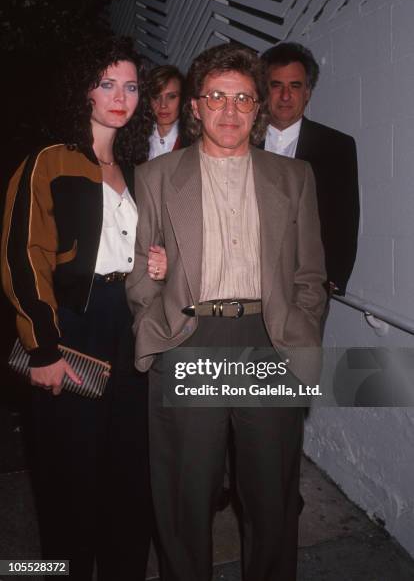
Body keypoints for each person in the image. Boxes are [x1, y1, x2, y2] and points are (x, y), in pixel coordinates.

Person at [126, 43, 326, 581]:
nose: (230, 111)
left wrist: (298, 336)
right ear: (195, 106)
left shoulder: (294, 178)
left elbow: (310, 276)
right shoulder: (156, 177)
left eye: (243, 98)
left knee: (272, 497)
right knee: (184, 499)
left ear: (258, 107)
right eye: (216, 96)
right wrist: (158, 329)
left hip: (267, 341)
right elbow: (141, 270)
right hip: (190, 339)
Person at [1, 36, 166, 580]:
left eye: (131, 86)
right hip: (73, 324)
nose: (121, 96)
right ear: (84, 91)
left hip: (129, 322)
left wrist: (155, 262)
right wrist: (43, 347)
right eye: (107, 83)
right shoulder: (49, 161)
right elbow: (23, 255)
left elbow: (136, 249)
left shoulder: (137, 170)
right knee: (69, 474)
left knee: (128, 467)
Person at [261, 41, 359, 296]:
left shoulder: (337, 146)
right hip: (246, 282)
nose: (285, 96)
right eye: (276, 85)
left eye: (295, 86)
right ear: (263, 90)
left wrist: (333, 278)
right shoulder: (240, 143)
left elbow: (345, 215)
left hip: (307, 287)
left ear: (308, 92)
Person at [148, 64, 186, 159]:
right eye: (156, 97)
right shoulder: (133, 142)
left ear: (183, 99)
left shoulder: (195, 142)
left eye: (171, 96)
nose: (163, 105)